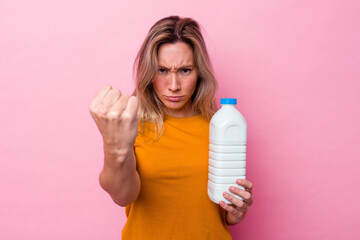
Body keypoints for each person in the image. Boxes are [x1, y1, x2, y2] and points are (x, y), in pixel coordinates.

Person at [89, 15, 253, 239]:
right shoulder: (131, 123)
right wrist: (114, 146)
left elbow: (223, 214)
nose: (174, 86)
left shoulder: (220, 126)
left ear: (199, 73)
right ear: (148, 73)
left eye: (185, 70)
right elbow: (122, 196)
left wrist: (236, 212)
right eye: (162, 70)